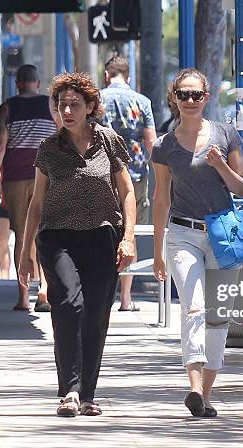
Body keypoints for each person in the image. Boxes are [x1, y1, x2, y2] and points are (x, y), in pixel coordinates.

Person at [18, 72, 136, 417]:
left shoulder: (110, 142)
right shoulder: (49, 149)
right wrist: (26, 254)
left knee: (96, 315)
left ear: (90, 107)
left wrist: (128, 238)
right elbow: (36, 203)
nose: (66, 110)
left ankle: (87, 394)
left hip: (102, 236)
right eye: (61, 104)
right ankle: (69, 391)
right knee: (69, 303)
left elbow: (127, 192)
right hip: (58, 237)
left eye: (74, 104)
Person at [151, 69, 243, 418]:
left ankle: (206, 395)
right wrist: (160, 248)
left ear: (207, 97)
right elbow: (161, 198)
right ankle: (193, 386)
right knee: (193, 308)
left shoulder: (225, 134)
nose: (190, 101)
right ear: (174, 97)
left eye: (197, 94)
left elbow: (240, 187)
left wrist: (220, 164)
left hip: (223, 233)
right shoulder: (164, 146)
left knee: (219, 315)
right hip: (182, 234)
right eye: (183, 94)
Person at [0, 65, 57, 311]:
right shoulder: (52, 105)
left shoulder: (7, 108)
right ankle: (45, 293)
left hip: (15, 179)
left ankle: (23, 296)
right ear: (38, 84)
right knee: (44, 234)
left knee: (22, 235)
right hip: (46, 177)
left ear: (17, 83)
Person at [100, 56, 157, 312]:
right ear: (128, 77)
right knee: (131, 231)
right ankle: (125, 298)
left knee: (104, 229)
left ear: (106, 75)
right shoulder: (142, 102)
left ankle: (104, 293)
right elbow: (151, 141)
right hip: (136, 174)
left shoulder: (98, 100)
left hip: (104, 173)